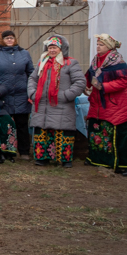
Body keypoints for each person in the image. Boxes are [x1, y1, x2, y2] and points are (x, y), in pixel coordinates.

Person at [28, 35, 86, 167]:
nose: (52, 50)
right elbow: (32, 79)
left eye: (55, 47)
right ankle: (42, 158)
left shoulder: (70, 63)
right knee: (42, 130)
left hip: (62, 105)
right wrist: (33, 93)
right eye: (50, 47)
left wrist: (66, 95)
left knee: (61, 130)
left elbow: (80, 82)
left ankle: (64, 159)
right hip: (41, 104)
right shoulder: (42, 62)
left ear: (61, 49)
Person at [85, 33, 127, 176]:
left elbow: (125, 80)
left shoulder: (117, 62)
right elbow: (91, 74)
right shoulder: (96, 60)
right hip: (99, 104)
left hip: (116, 104)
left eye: (101, 45)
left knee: (120, 136)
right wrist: (87, 84)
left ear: (108, 47)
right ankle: (99, 160)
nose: (97, 47)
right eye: (97, 44)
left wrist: (104, 86)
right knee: (98, 132)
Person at [0, 30, 34, 159]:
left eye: (12, 38)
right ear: (2, 40)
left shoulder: (24, 54)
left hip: (22, 94)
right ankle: (6, 151)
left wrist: (30, 90)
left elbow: (31, 73)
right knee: (5, 124)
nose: (9, 40)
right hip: (3, 94)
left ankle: (24, 152)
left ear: (15, 39)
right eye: (7, 38)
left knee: (22, 124)